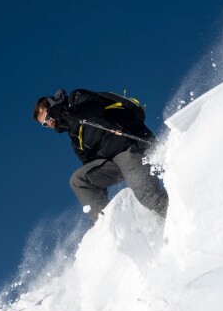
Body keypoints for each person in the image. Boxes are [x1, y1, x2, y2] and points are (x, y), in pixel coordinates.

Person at [32, 88, 168, 221]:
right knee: (78, 180)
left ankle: (183, 217)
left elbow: (96, 106)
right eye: (44, 124)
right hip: (113, 163)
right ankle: (103, 224)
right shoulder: (75, 138)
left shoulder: (76, 98)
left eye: (48, 117)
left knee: (149, 198)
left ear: (54, 104)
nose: (49, 123)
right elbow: (90, 165)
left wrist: (70, 111)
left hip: (129, 145)